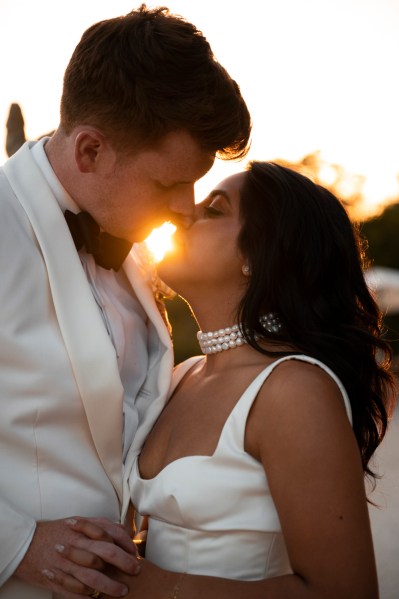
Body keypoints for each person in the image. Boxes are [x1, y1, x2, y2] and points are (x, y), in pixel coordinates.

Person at [0, 4, 251, 598]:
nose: (187, 207)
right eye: (168, 184)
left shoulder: (131, 249)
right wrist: (14, 545)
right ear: (89, 151)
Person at [55, 161, 396, 598]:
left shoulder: (294, 391)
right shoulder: (181, 375)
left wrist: (158, 586)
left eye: (214, 209)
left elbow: (344, 591)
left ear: (258, 256)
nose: (182, 212)